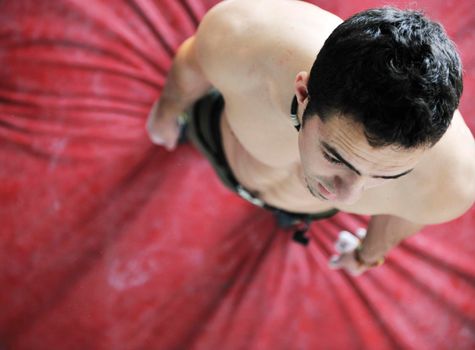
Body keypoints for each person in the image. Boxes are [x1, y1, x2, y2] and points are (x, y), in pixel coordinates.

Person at [146, 0, 475, 275]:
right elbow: (193, 62)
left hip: (293, 205)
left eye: (387, 175)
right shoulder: (244, 39)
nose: (347, 198)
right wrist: (168, 111)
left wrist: (366, 255)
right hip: (220, 137)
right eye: (335, 156)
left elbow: (406, 214)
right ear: (303, 93)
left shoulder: (449, 183)